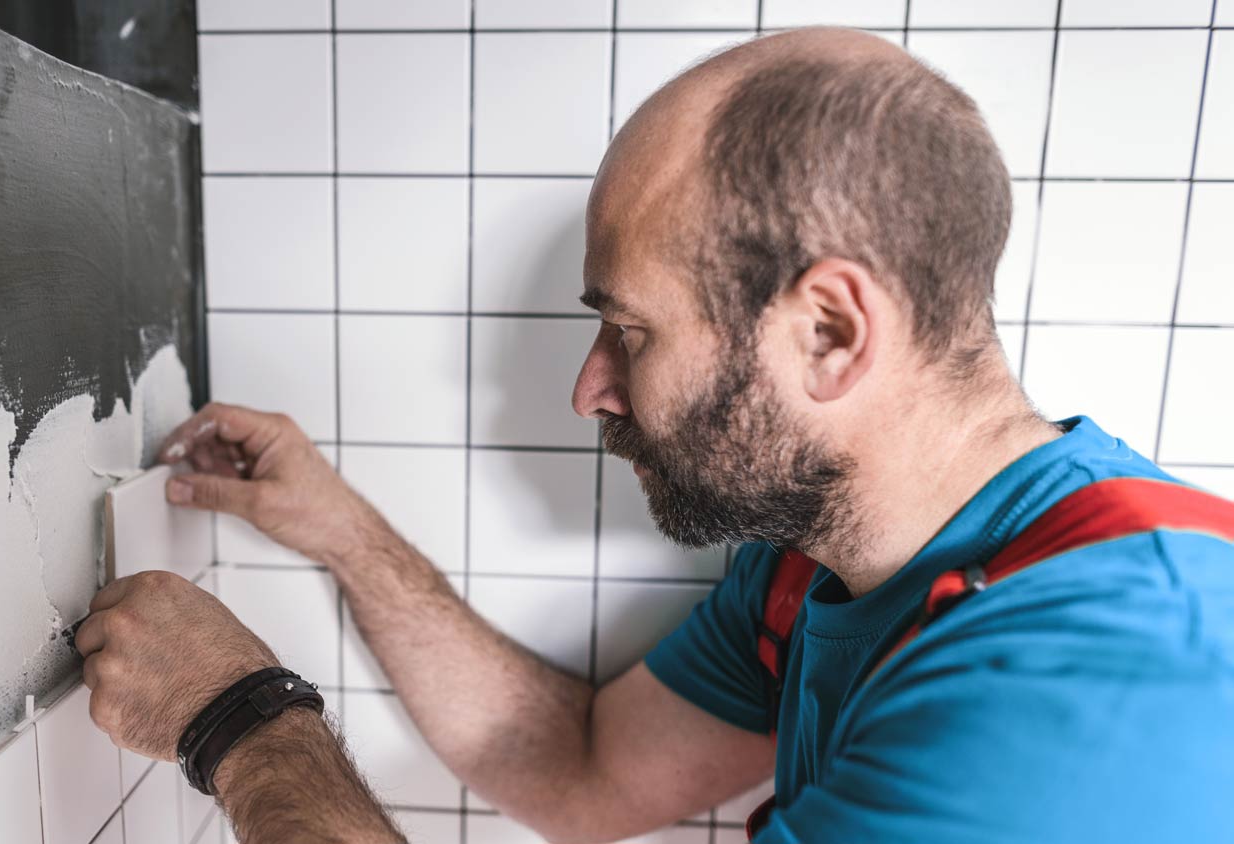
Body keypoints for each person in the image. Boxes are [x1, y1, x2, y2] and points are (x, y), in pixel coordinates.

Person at [69, 27, 1234, 843]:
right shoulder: (815, 562)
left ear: (830, 329)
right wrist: (341, 531)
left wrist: (244, 719)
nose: (590, 390)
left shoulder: (1096, 693)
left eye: (630, 329)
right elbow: (578, 768)